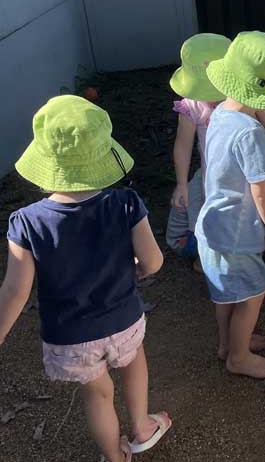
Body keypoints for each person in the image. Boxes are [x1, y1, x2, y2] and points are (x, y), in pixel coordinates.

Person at [0, 96, 172, 462]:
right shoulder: (125, 203)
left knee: (97, 394)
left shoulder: (27, 222)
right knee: (134, 362)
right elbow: (153, 261)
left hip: (70, 337)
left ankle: (114, 456)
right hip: (123, 320)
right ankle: (141, 427)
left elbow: (16, 291)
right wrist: (139, 268)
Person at [198, 31, 265, 378]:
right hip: (236, 232)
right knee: (253, 293)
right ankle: (238, 357)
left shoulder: (221, 115)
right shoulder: (250, 131)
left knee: (226, 294)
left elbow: (233, 174)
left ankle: (228, 343)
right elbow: (259, 192)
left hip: (213, 225)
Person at [167, 33, 231, 270]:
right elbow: (183, 144)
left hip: (241, 177)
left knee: (239, 224)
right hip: (210, 180)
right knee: (209, 221)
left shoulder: (240, 98)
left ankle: (243, 265)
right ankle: (208, 258)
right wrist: (181, 183)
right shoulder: (193, 104)